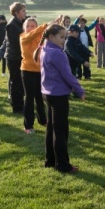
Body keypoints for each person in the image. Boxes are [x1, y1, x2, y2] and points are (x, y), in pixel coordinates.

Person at [36, 24, 85, 174]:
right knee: (61, 131)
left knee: (51, 128)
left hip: (48, 93)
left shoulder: (44, 49)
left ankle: (50, 161)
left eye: (65, 37)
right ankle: (63, 165)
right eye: (61, 37)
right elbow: (68, 75)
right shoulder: (57, 53)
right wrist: (79, 90)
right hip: (58, 95)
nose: (64, 40)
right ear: (51, 36)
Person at [20, 16, 53, 134]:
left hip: (40, 71)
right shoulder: (23, 37)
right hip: (27, 71)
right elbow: (32, 34)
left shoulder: (40, 37)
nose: (30, 28)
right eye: (27, 26)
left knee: (40, 97)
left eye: (32, 26)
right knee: (29, 98)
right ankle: (28, 126)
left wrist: (53, 24)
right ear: (24, 28)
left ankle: (43, 120)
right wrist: (44, 25)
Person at [5, 2, 27, 113]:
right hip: (14, 58)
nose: (25, 12)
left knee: (20, 82)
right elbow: (16, 43)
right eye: (23, 11)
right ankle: (17, 107)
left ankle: (21, 104)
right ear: (17, 12)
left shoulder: (20, 22)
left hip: (19, 57)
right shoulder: (11, 25)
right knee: (16, 82)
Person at [73, 15, 97, 80]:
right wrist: (78, 18)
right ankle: (78, 76)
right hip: (78, 50)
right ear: (78, 24)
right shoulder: (76, 30)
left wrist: (96, 20)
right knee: (78, 64)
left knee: (86, 63)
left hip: (86, 50)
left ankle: (87, 76)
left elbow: (92, 25)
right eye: (80, 23)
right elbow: (73, 24)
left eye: (83, 23)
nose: (82, 24)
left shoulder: (86, 29)